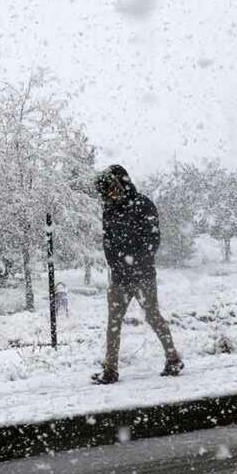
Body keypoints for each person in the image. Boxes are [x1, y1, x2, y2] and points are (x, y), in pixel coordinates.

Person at [91, 164, 183, 384]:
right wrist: (117, 266)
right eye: (107, 192)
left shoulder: (143, 205)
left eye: (112, 189)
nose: (110, 195)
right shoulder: (109, 210)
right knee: (113, 323)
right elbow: (108, 243)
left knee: (153, 317)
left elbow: (152, 240)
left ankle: (173, 359)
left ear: (122, 182)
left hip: (143, 276)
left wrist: (136, 263)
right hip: (120, 278)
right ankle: (110, 370)